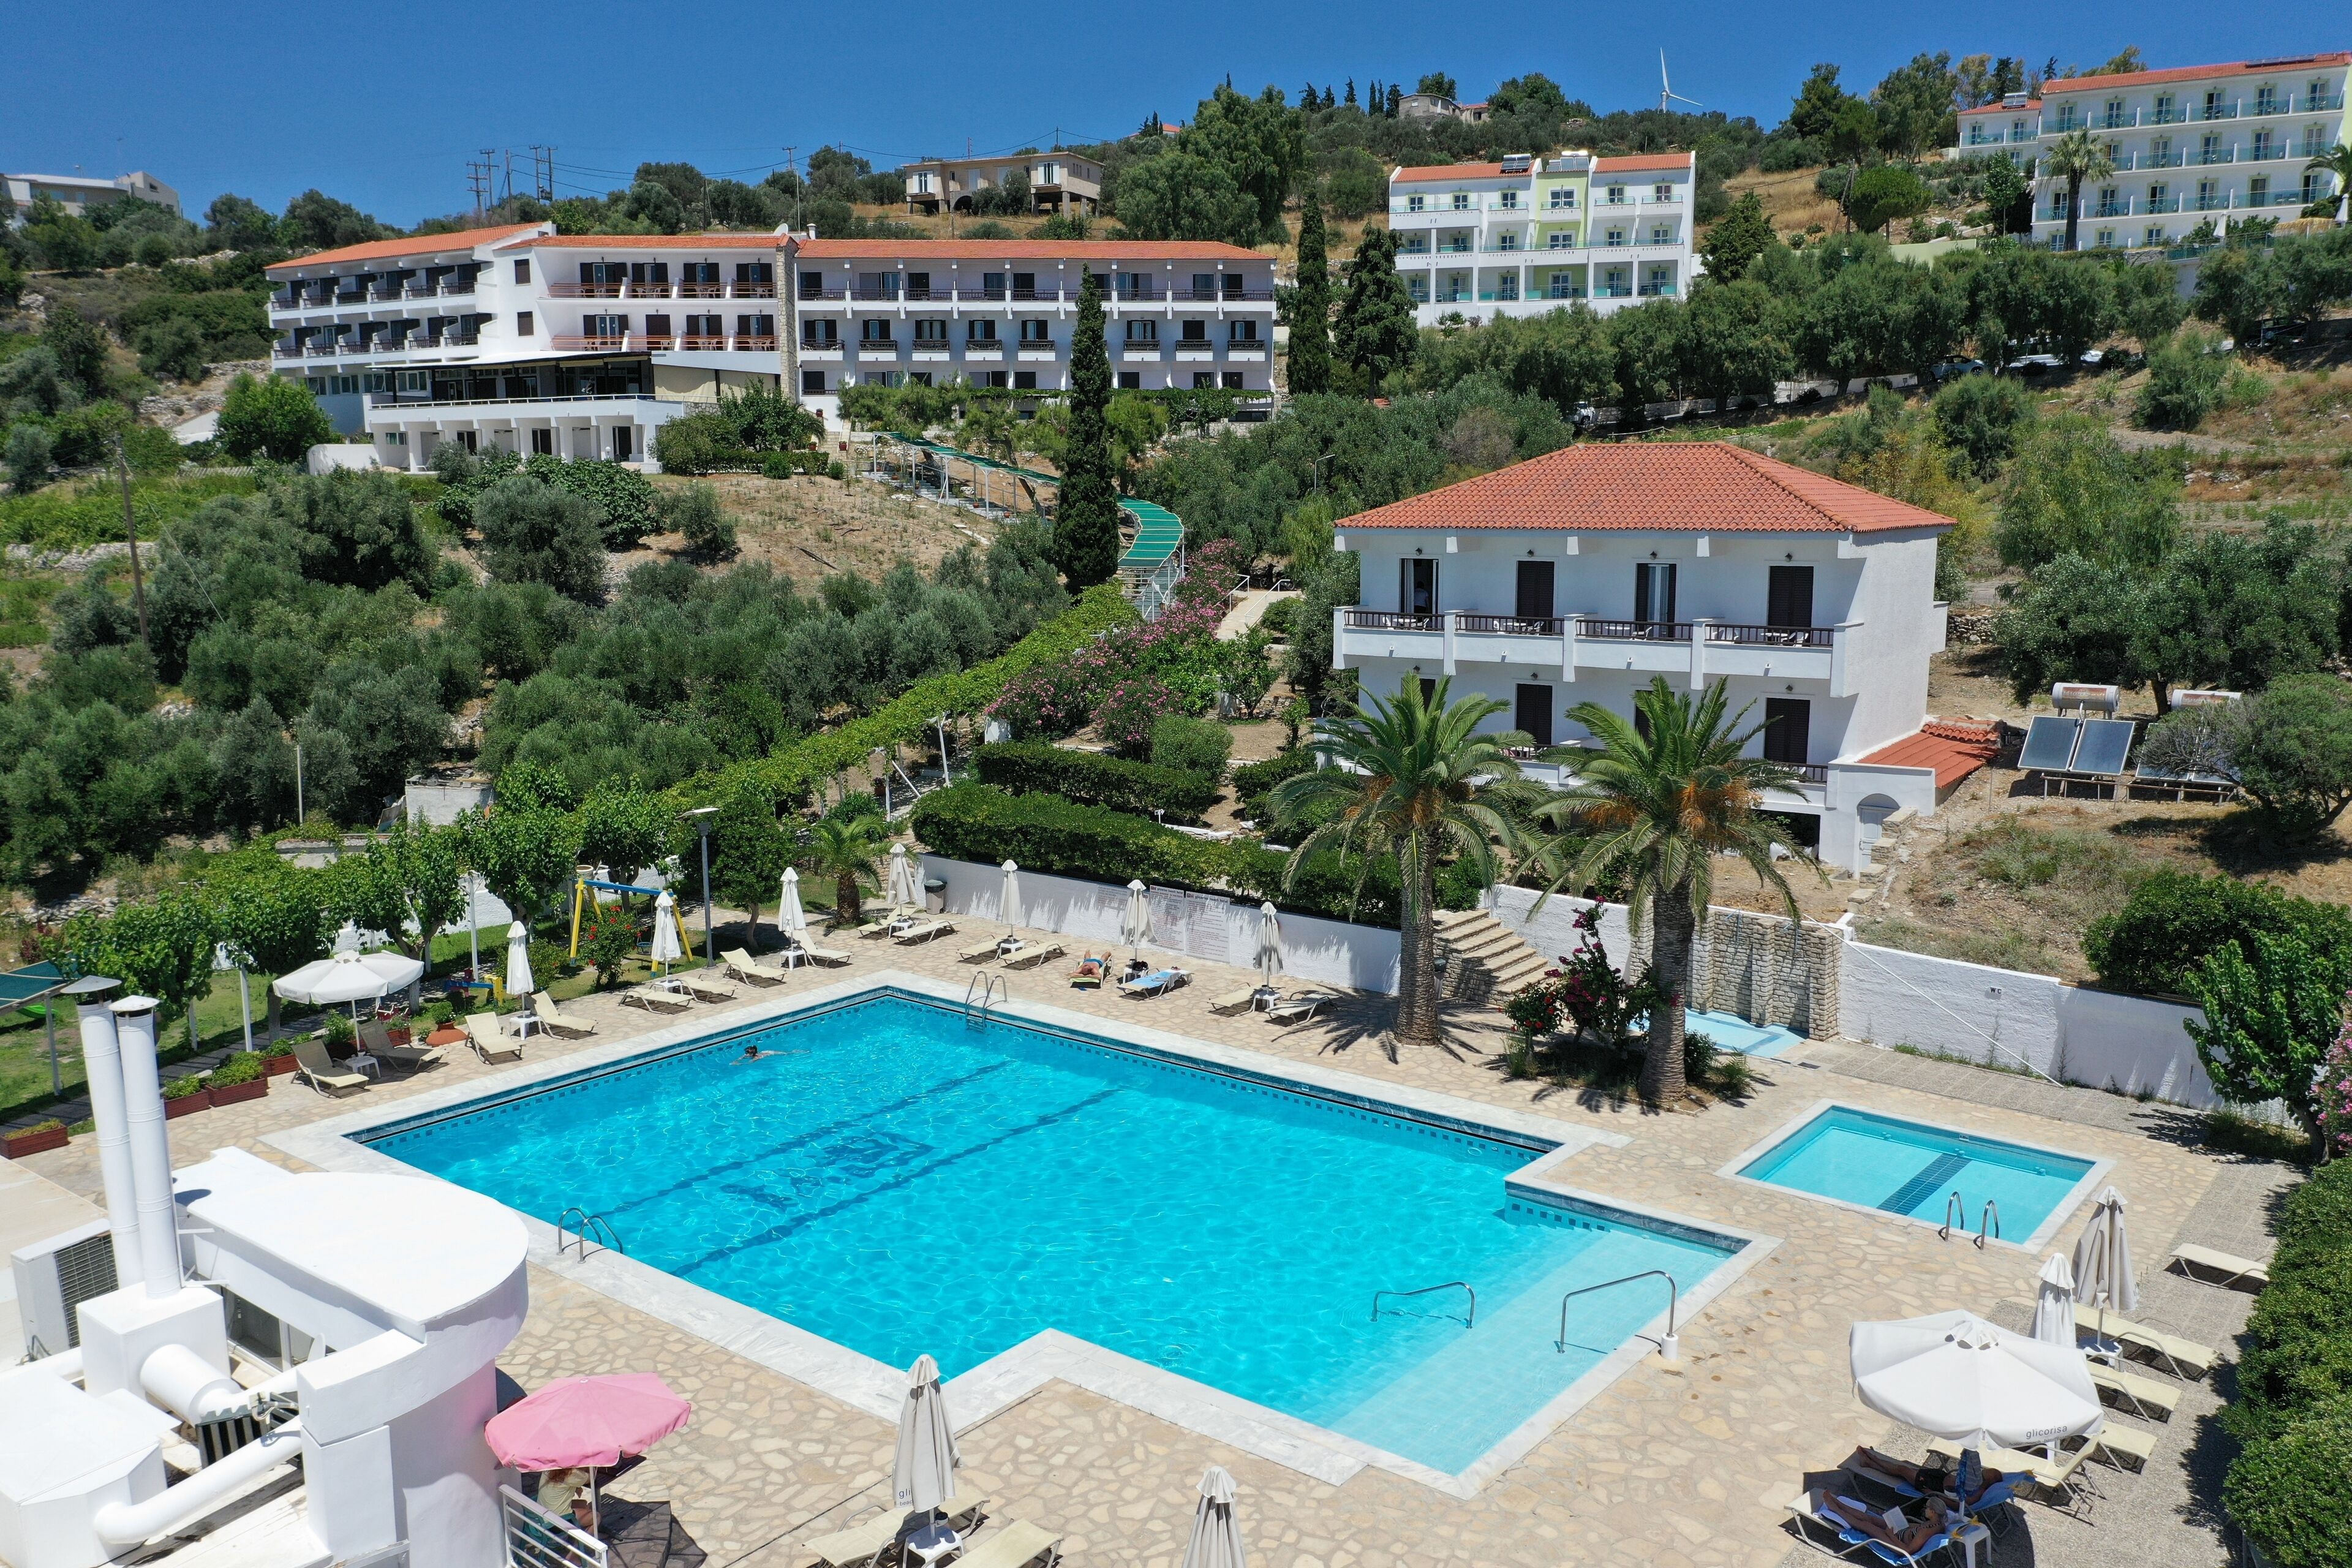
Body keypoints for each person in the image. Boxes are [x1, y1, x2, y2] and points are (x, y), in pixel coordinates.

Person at [1846, 1445, 2005, 1505]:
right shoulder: (1977, 1480)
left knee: (1902, 1470)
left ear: (1990, 1480)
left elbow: (1957, 1505)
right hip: (1940, 1477)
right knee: (1902, 1470)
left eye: (1988, 1472)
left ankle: (1872, 1460)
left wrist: (1933, 1495)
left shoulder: (1978, 1493)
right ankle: (1871, 1461)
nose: (1985, 1470)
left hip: (1934, 1487)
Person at [1819, 1491, 1955, 1555]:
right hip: (1900, 1533)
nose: (1924, 1510)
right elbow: (1917, 1530)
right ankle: (1838, 1503)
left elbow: (1908, 1550)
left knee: (1866, 1525)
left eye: (1926, 1508)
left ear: (1932, 1511)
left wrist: (1890, 1535)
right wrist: (1904, 1524)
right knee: (1870, 1518)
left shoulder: (1929, 1531)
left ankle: (1835, 1508)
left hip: (1898, 1544)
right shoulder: (1939, 1524)